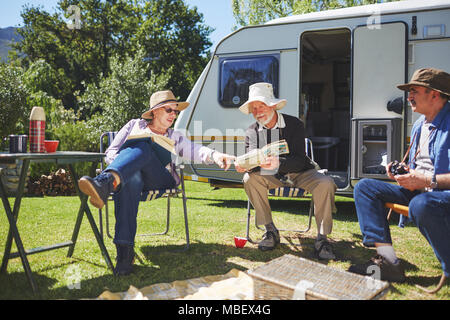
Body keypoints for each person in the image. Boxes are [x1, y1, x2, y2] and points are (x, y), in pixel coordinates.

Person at [78, 90, 235, 276]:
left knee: (143, 147)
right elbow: (111, 152)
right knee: (133, 177)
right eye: (169, 110)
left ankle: (105, 182)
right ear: (155, 111)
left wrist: (215, 155)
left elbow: (193, 149)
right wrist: (129, 161)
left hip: (160, 179)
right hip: (132, 179)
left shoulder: (174, 135)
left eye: (175, 111)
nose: (173, 115)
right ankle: (124, 254)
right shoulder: (133, 125)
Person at [349, 68, 450, 287]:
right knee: (365, 187)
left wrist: (426, 180)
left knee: (422, 204)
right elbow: (417, 167)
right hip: (418, 191)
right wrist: (403, 171)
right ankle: (389, 262)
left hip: (441, 194)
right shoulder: (418, 126)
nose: (409, 96)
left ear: (434, 94)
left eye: (414, 90)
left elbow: (429, 176)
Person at [234, 82, 337, 259]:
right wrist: (244, 164)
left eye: (262, 106)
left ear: (273, 106)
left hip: (301, 172)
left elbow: (298, 159)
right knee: (248, 179)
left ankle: (322, 238)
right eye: (254, 108)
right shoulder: (252, 131)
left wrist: (278, 163)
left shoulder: (294, 124)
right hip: (272, 176)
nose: (258, 112)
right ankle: (270, 230)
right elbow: (251, 159)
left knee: (326, 182)